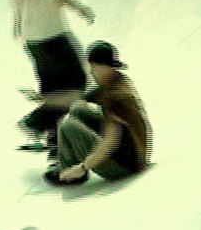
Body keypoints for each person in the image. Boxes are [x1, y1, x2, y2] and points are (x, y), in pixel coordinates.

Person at [12, 0, 95, 163]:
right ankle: (35, 123)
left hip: (29, 32)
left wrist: (17, 23)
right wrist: (81, 8)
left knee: (51, 89)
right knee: (78, 86)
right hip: (52, 31)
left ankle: (53, 142)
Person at [44, 41, 153, 185]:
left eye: (93, 67)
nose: (91, 72)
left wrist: (82, 167)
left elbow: (110, 141)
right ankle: (69, 165)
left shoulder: (114, 97)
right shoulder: (116, 80)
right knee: (78, 109)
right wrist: (46, 99)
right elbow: (78, 98)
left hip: (123, 167)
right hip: (135, 155)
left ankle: (69, 174)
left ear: (103, 67)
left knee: (68, 125)